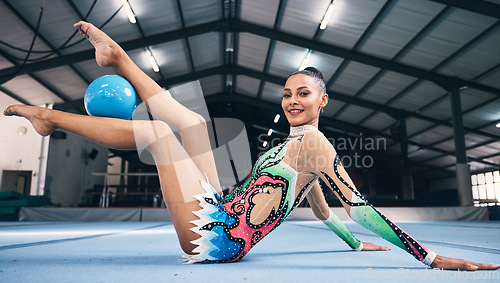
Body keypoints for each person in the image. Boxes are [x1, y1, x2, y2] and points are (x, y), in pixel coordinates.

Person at [4, 21, 499, 270]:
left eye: (303, 93)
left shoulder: (318, 147)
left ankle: (48, 118)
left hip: (219, 237)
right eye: (287, 94)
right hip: (221, 207)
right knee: (194, 120)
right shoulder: (295, 149)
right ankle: (119, 60)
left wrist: (430, 259)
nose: (292, 101)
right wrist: (352, 244)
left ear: (323, 99)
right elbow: (326, 211)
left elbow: (361, 209)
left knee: (157, 133)